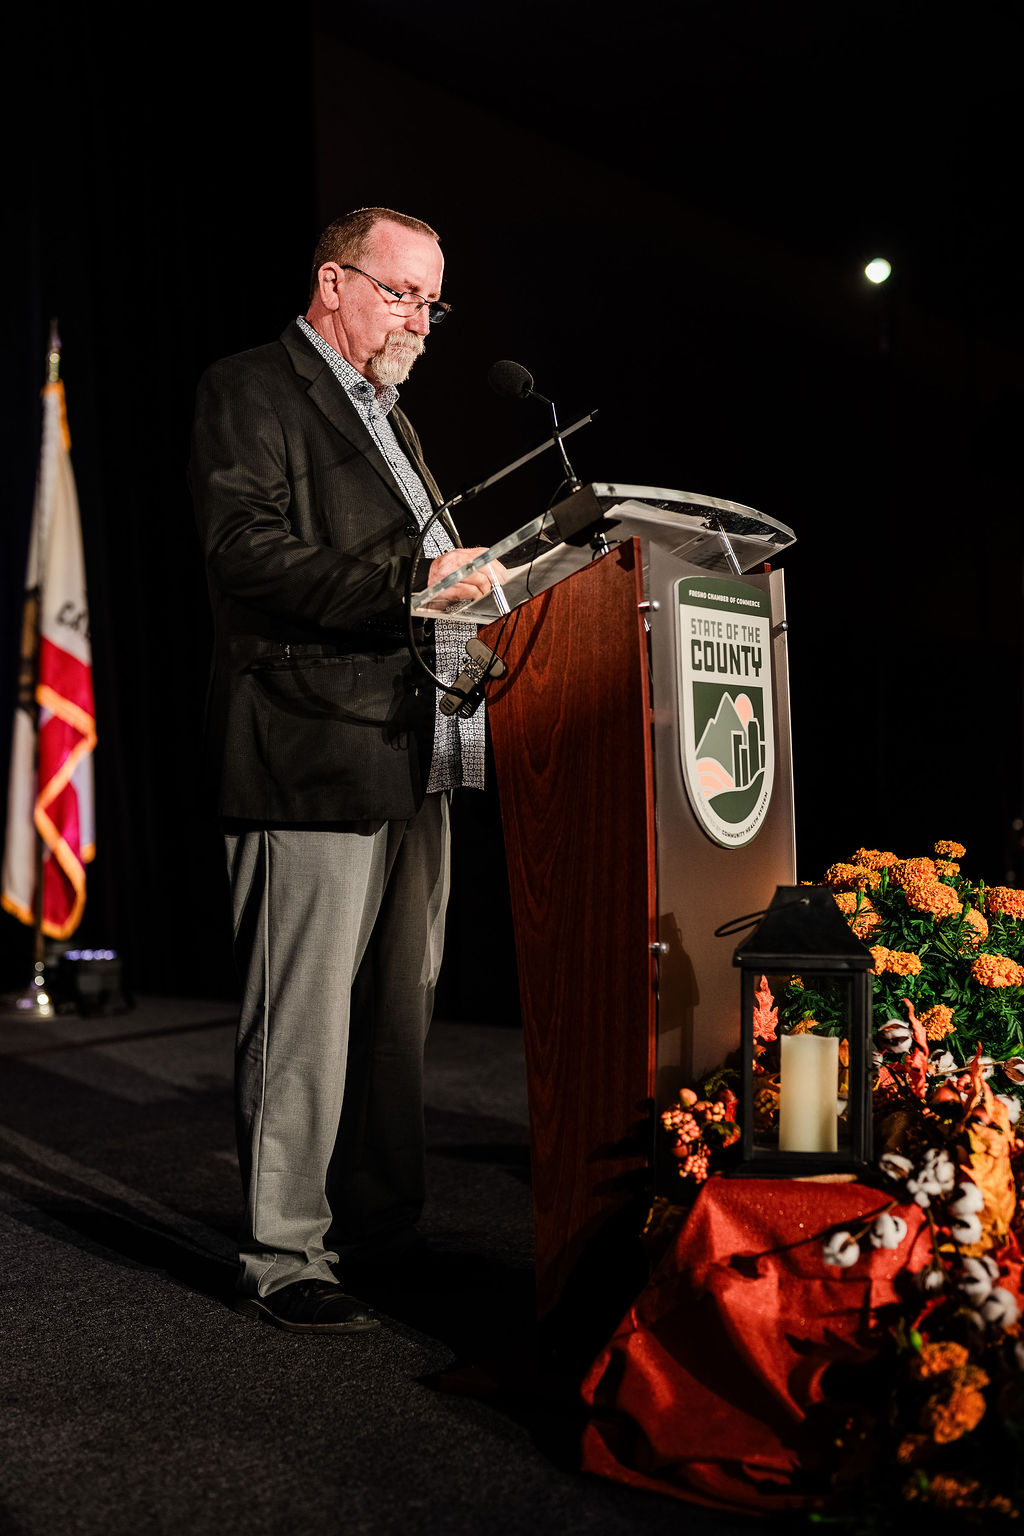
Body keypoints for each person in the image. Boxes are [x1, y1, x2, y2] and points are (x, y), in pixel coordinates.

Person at [189, 206, 504, 1334]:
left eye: (432, 302)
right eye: (401, 292)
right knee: (306, 1015)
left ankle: (380, 1228)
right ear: (334, 282)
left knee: (396, 1011)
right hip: (310, 742)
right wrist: (412, 588)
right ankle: (284, 1256)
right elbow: (245, 551)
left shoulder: (391, 417)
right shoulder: (253, 387)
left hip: (414, 743)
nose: (419, 318)